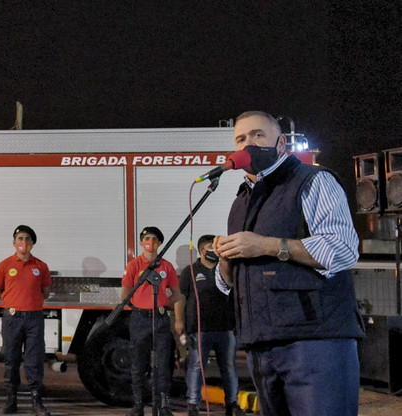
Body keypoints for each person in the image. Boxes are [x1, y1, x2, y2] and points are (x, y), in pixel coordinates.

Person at [214, 111, 365, 416]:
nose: (248, 144)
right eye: (240, 139)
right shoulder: (240, 201)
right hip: (261, 346)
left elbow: (342, 249)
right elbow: (228, 282)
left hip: (315, 343)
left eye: (258, 135)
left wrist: (266, 245)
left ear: (281, 143)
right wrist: (226, 260)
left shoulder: (313, 181)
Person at [174, 235, 244, 416]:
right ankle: (193, 404)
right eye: (210, 247)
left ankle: (232, 404)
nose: (214, 250)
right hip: (199, 329)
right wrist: (179, 321)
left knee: (228, 367)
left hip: (225, 327)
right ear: (202, 250)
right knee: (196, 366)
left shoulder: (225, 269)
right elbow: (181, 298)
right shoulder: (190, 271)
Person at [121, 226, 182, 416]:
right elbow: (125, 295)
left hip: (160, 319)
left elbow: (177, 294)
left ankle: (163, 405)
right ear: (141, 243)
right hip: (140, 319)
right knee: (138, 363)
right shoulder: (134, 265)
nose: (150, 242)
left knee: (163, 364)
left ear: (160, 243)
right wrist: (141, 306)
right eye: (147, 238)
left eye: (154, 239)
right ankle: (138, 404)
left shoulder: (166, 266)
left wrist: (163, 304)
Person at [0, 225, 52, 416]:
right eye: (20, 239)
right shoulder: (4, 265)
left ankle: (37, 402)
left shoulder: (41, 266)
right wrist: (13, 301)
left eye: (27, 239)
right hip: (13, 319)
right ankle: (11, 401)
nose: (23, 242)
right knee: (11, 359)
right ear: (14, 242)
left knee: (34, 361)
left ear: (32, 243)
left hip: (34, 319)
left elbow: (45, 292)